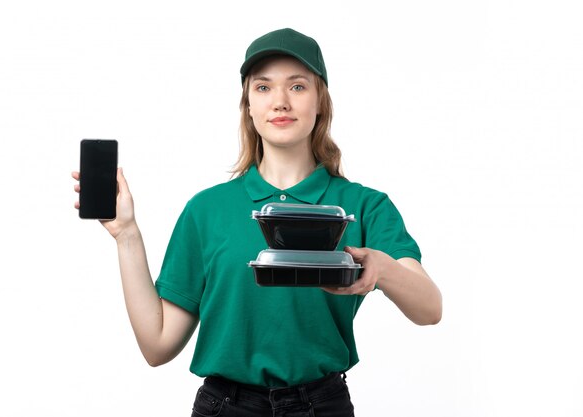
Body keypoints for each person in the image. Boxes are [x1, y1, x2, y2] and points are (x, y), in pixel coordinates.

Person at [73, 27, 442, 417]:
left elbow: (430, 308)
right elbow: (157, 345)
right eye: (263, 88)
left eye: (297, 87)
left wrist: (381, 269)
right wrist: (127, 236)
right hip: (225, 407)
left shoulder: (363, 205)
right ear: (248, 105)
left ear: (321, 103)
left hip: (322, 406)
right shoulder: (207, 209)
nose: (280, 102)